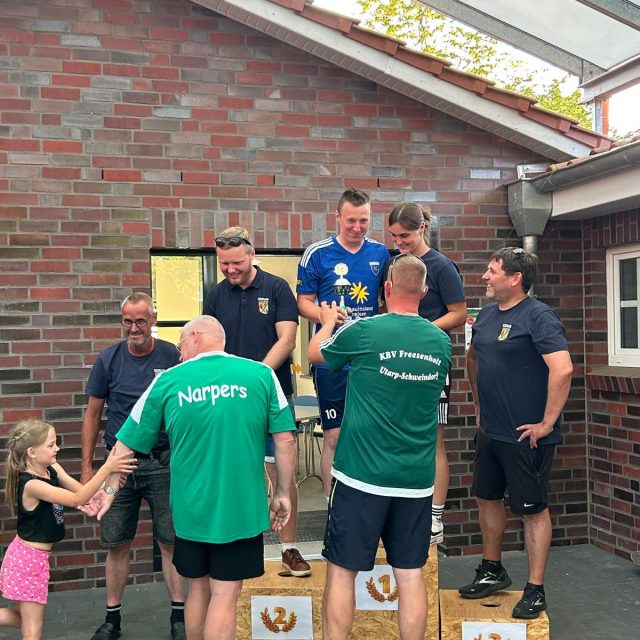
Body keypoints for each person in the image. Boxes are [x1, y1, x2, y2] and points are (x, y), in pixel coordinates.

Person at [92, 315, 297, 640]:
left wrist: (109, 488)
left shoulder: (167, 381)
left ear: (196, 338)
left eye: (181, 345)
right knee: (224, 595)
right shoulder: (261, 374)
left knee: (198, 589)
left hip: (190, 511)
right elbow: (285, 440)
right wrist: (283, 494)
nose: (179, 353)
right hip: (240, 510)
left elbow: (124, 443)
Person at [308, 253, 451, 640]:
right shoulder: (440, 342)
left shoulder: (366, 330)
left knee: (342, 572)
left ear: (386, 288)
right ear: (424, 291)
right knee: (410, 574)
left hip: (361, 476)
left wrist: (327, 322)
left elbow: (315, 354)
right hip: (415, 480)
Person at [462, 247, 573, 619]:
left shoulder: (539, 317)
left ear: (515, 278)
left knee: (532, 509)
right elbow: (473, 357)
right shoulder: (486, 314)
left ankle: (535, 589)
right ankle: (492, 570)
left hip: (528, 436)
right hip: (491, 431)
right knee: (487, 497)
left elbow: (563, 369)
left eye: (492, 271)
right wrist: (478, 405)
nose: (485, 277)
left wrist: (547, 423)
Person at [203, 226, 311, 578]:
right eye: (224, 264)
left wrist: (255, 379)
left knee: (281, 473)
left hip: (271, 394)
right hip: (228, 399)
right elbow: (209, 347)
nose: (231, 270)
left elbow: (287, 340)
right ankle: (237, 549)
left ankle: (289, 548)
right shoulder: (215, 295)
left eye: (237, 262)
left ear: (251, 254)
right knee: (233, 472)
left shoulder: (277, 288)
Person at [81, 292, 186, 640]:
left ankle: (178, 619)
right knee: (117, 543)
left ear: (153, 320)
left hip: (163, 461)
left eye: (141, 320)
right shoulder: (108, 359)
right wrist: (88, 470)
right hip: (118, 466)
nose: (134, 327)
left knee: (170, 542)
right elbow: (92, 415)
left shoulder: (172, 356)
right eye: (127, 321)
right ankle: (112, 619)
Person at [0, 419, 136, 640]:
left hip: (34, 559)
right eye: (51, 445)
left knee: (27, 621)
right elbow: (76, 499)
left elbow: (81, 492)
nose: (57, 448)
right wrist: (106, 468)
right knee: (32, 631)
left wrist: (105, 490)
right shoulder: (32, 484)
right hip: (27, 561)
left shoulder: (51, 468)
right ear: (32, 452)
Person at [297, 188, 390, 500]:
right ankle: (331, 503)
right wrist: (326, 317)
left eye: (364, 221)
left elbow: (386, 300)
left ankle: (368, 500)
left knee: (369, 432)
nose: (357, 227)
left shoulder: (380, 253)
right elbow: (303, 302)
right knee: (334, 436)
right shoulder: (317, 254)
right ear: (337, 216)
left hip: (368, 359)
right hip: (331, 359)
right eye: (351, 221)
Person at [386, 202, 466, 544]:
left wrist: (422, 332)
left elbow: (459, 313)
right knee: (396, 434)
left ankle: (435, 517)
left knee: (433, 439)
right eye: (393, 236)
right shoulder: (394, 265)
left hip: (431, 363)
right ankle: (398, 509)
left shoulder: (442, 266)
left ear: (421, 228)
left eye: (404, 235)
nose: (398, 242)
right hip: (396, 363)